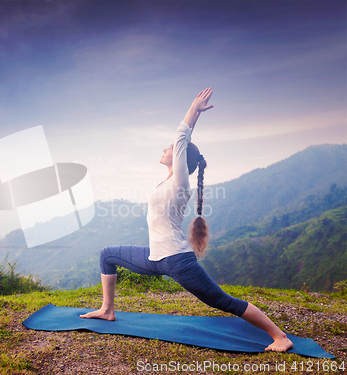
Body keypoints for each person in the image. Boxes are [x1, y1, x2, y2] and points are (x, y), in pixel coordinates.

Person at [80, 88, 293, 352]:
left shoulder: (181, 182)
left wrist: (193, 111)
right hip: (155, 258)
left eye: (170, 148)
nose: (166, 148)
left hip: (178, 261)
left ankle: (280, 336)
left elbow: (181, 138)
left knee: (222, 301)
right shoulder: (166, 181)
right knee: (106, 255)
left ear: (181, 159)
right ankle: (107, 310)